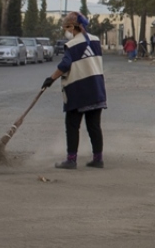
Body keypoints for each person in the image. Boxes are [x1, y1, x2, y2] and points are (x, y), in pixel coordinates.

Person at [42, 12, 107, 169]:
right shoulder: (96, 40)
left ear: (73, 27)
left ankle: (71, 160)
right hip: (96, 89)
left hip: (79, 90)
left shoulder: (72, 45)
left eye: (67, 28)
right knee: (94, 127)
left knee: (72, 126)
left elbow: (65, 65)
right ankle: (98, 159)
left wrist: (51, 79)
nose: (66, 31)